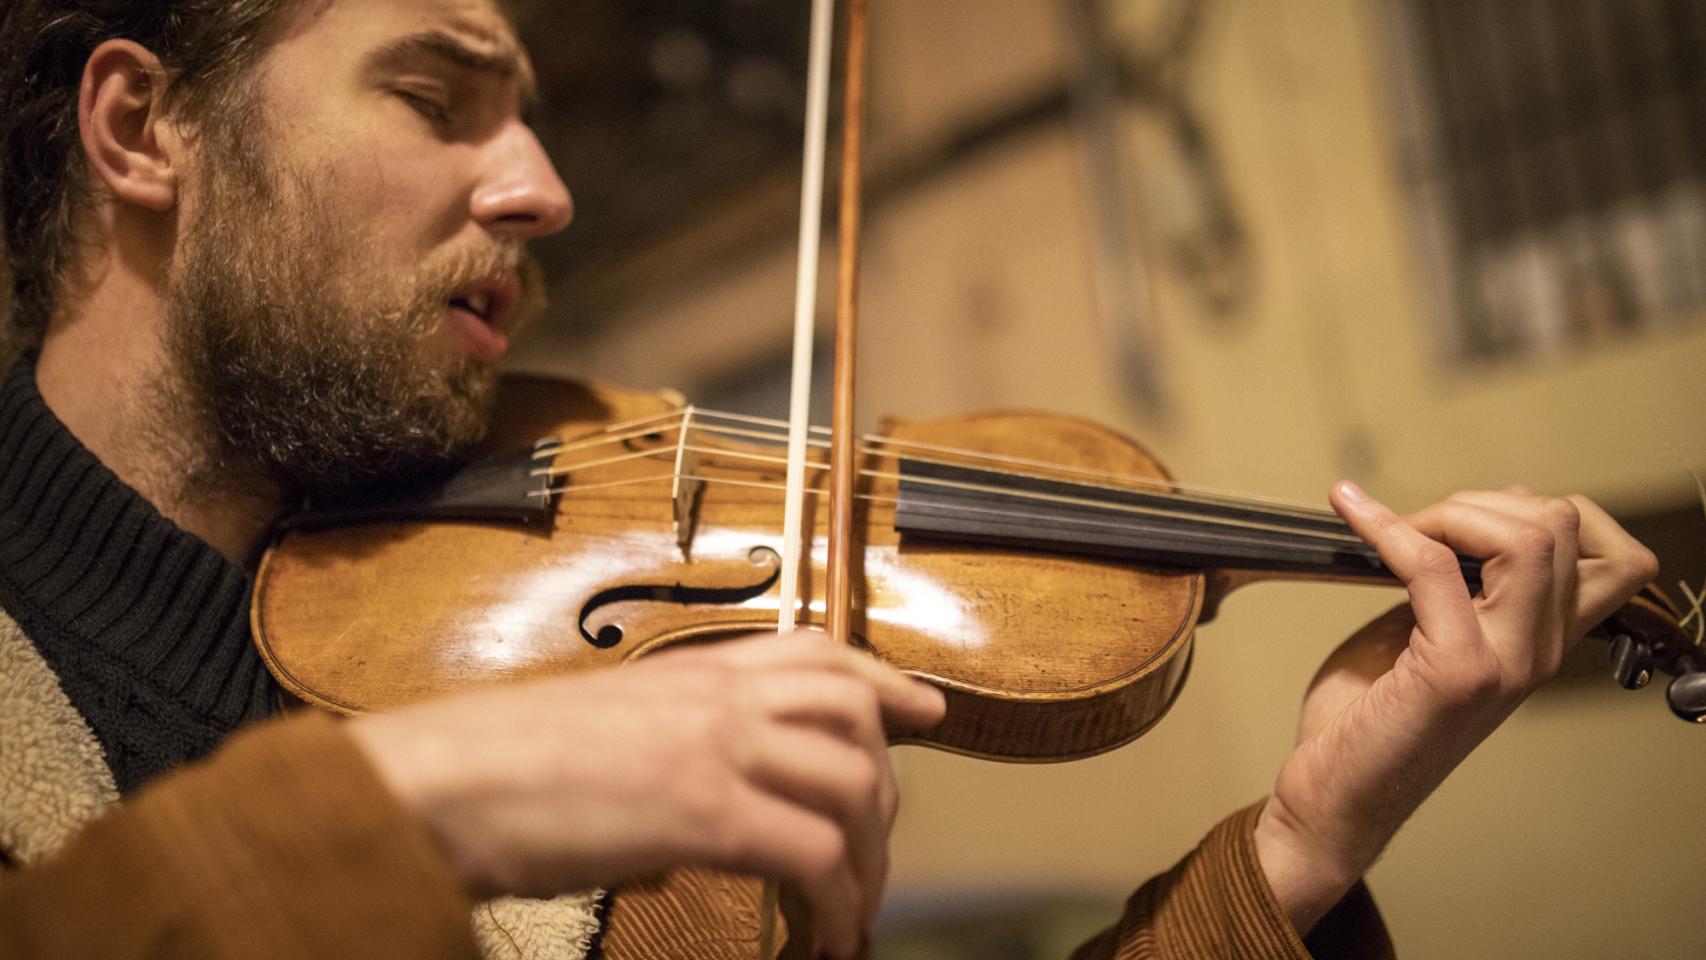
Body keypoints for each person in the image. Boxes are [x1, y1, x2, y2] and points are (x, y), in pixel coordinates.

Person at [0, 0, 1661, 958]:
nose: (548, 187)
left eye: (529, 115)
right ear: (145, 130)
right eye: (436, 97)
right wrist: (417, 815)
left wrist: (1303, 841)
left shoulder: (647, 765)